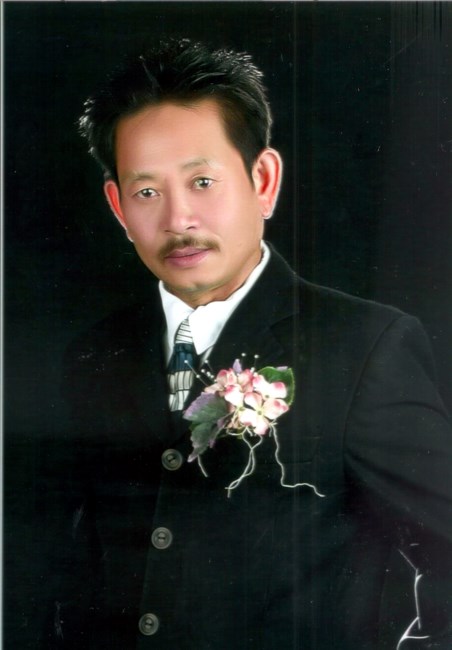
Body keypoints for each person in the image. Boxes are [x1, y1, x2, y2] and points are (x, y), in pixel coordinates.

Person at [49, 38, 452, 649]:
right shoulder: (94, 354)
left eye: (202, 181)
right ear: (118, 206)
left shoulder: (366, 346)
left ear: (263, 180)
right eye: (147, 192)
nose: (178, 220)